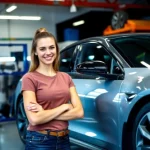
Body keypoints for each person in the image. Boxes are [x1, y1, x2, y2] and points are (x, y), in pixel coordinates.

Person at [21, 27, 84, 150]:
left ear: (56, 49)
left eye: (51, 47)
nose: (48, 52)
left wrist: (43, 112)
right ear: (35, 52)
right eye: (42, 49)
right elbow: (34, 119)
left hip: (64, 139)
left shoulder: (66, 77)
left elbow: (79, 112)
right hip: (39, 140)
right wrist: (64, 107)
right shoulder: (29, 78)